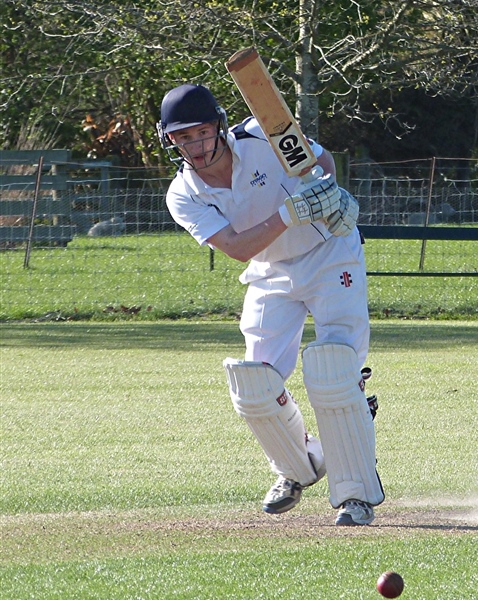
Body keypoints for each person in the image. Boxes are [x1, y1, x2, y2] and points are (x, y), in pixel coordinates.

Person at [157, 83, 383, 525]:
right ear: (170, 140)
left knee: (336, 371)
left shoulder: (264, 135)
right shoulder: (183, 194)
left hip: (328, 251)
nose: (195, 147)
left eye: (201, 133)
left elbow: (321, 164)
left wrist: (330, 196)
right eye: (183, 138)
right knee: (254, 384)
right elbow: (238, 247)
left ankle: (356, 494)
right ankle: (300, 466)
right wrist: (289, 212)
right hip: (267, 268)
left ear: (219, 128)